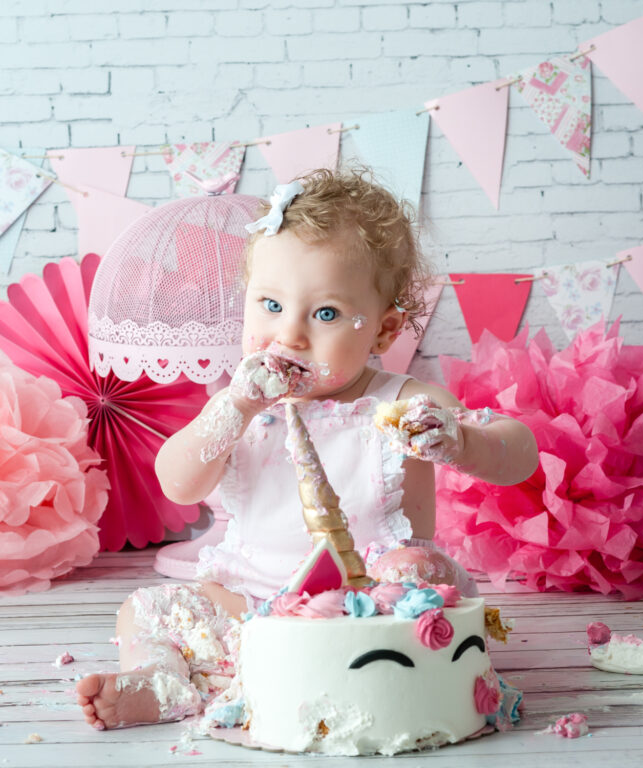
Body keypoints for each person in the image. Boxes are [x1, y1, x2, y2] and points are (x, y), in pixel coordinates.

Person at [76, 168, 538, 730]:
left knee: (414, 567)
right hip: (253, 602)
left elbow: (520, 453)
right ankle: (163, 682)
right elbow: (177, 481)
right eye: (270, 305)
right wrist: (233, 411)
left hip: (367, 601)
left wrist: (462, 441)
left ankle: (344, 681)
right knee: (146, 608)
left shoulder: (404, 403)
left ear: (385, 331)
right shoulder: (240, 404)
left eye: (325, 314)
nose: (288, 335)